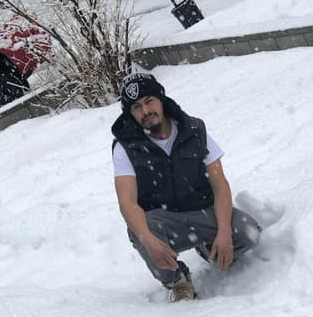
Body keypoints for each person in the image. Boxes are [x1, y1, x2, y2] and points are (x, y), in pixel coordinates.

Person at [111, 72, 260, 301]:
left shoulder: (194, 130)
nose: (145, 111)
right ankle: (177, 279)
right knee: (140, 231)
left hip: (203, 212)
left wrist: (223, 233)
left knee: (248, 232)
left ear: (161, 100)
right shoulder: (125, 147)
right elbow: (127, 203)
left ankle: (210, 247)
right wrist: (149, 241)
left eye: (149, 101)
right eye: (137, 107)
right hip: (164, 223)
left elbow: (220, 185)